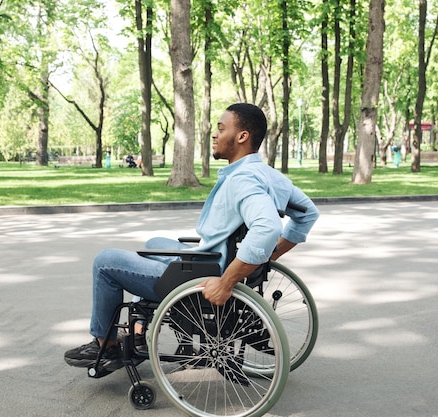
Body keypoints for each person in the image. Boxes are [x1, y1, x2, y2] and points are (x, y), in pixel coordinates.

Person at [64, 103, 320, 370]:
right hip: (209, 258)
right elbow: (307, 213)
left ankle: (107, 344)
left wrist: (226, 282)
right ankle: (139, 330)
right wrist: (268, 256)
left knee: (105, 261)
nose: (214, 134)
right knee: (154, 244)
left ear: (242, 136)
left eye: (221, 129)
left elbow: (267, 227)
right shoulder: (268, 174)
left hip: (204, 274)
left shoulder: (242, 179)